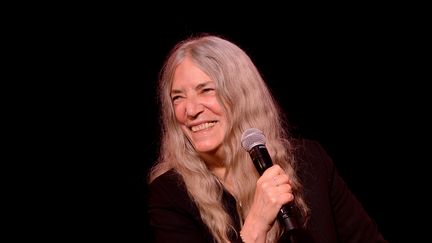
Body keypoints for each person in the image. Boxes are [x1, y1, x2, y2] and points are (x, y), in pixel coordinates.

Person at [147, 33, 387, 243]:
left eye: (206, 90)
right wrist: (255, 228)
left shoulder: (311, 162)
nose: (190, 110)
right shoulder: (170, 194)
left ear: (241, 95)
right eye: (178, 97)